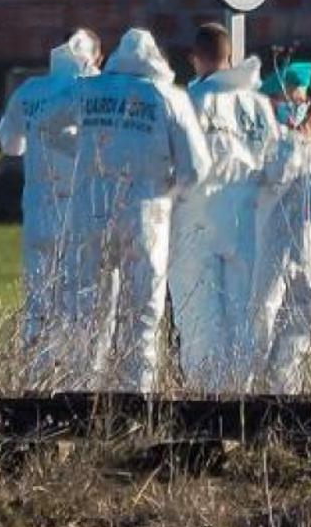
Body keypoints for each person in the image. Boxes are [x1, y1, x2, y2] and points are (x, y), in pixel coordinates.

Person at [40, 28, 210, 390]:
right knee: (143, 312)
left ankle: (82, 393)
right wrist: (169, 191)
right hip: (146, 215)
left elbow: (48, 122)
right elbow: (196, 167)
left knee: (86, 309)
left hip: (88, 211)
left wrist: (82, 161)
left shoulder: (89, 90)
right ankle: (135, 398)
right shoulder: (169, 97)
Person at [168, 23, 278, 393]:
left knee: (199, 316)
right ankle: (241, 397)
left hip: (195, 221)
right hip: (243, 220)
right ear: (228, 55)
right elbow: (274, 165)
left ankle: (206, 400)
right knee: (242, 315)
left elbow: (176, 163)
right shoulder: (258, 106)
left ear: (194, 59)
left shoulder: (191, 103)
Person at [0, 29, 101, 381]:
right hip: (79, 210)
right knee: (80, 301)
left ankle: (37, 378)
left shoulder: (30, 92)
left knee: (39, 301)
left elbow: (11, 144)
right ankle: (79, 380)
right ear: (96, 58)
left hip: (39, 211)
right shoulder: (94, 91)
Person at [250, 61, 311, 393]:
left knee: (301, 312)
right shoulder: (269, 137)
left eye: (302, 100)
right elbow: (274, 179)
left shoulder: (306, 139)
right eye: (291, 100)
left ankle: (286, 387)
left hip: (303, 241)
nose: (298, 107)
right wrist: (297, 141)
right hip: (270, 237)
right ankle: (252, 382)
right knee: (264, 309)